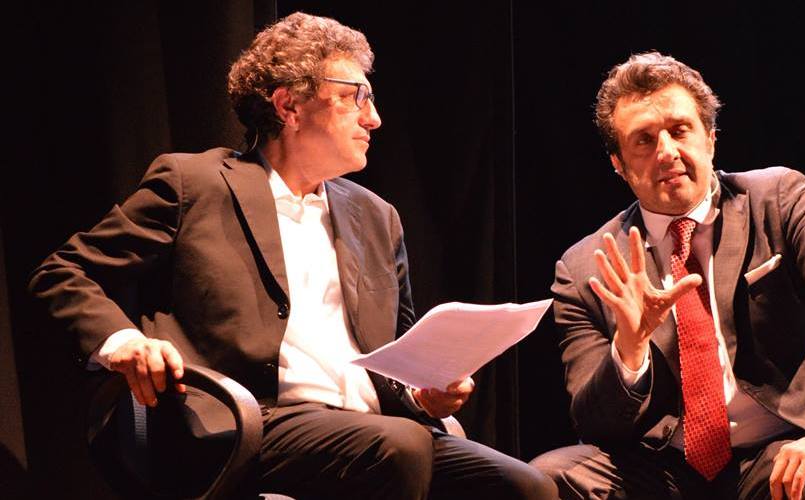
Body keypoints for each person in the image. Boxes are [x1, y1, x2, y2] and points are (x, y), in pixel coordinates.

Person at [28, 12, 555, 500]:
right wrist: (124, 342)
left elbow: (395, 356)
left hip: (371, 428)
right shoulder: (196, 184)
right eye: (355, 97)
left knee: (526, 486)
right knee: (400, 447)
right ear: (289, 106)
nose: (374, 118)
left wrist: (422, 396)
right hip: (248, 423)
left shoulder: (377, 217)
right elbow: (63, 271)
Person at [530, 51, 805, 499]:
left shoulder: (779, 199)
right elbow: (596, 426)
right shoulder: (585, 268)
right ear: (619, 164)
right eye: (643, 140)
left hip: (784, 443)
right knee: (548, 480)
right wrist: (629, 350)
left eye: (679, 130)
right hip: (663, 467)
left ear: (709, 138)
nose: (667, 152)